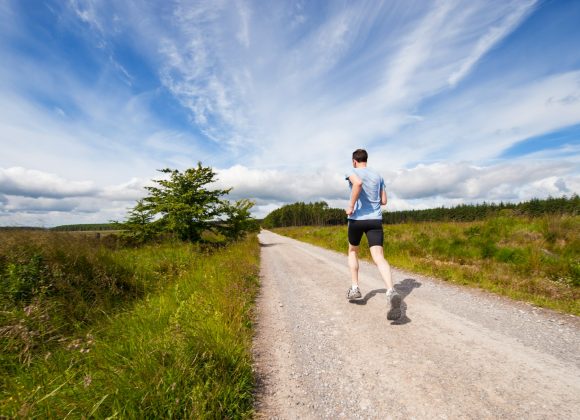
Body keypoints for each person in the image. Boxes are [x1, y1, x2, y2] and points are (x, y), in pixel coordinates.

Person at [345, 148, 401, 320]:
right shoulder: (378, 176)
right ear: (366, 160)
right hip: (375, 220)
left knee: (353, 251)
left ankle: (355, 288)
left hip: (357, 220)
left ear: (354, 161)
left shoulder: (352, 172)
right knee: (378, 257)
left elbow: (358, 183)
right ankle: (391, 291)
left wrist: (351, 205)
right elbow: (384, 200)